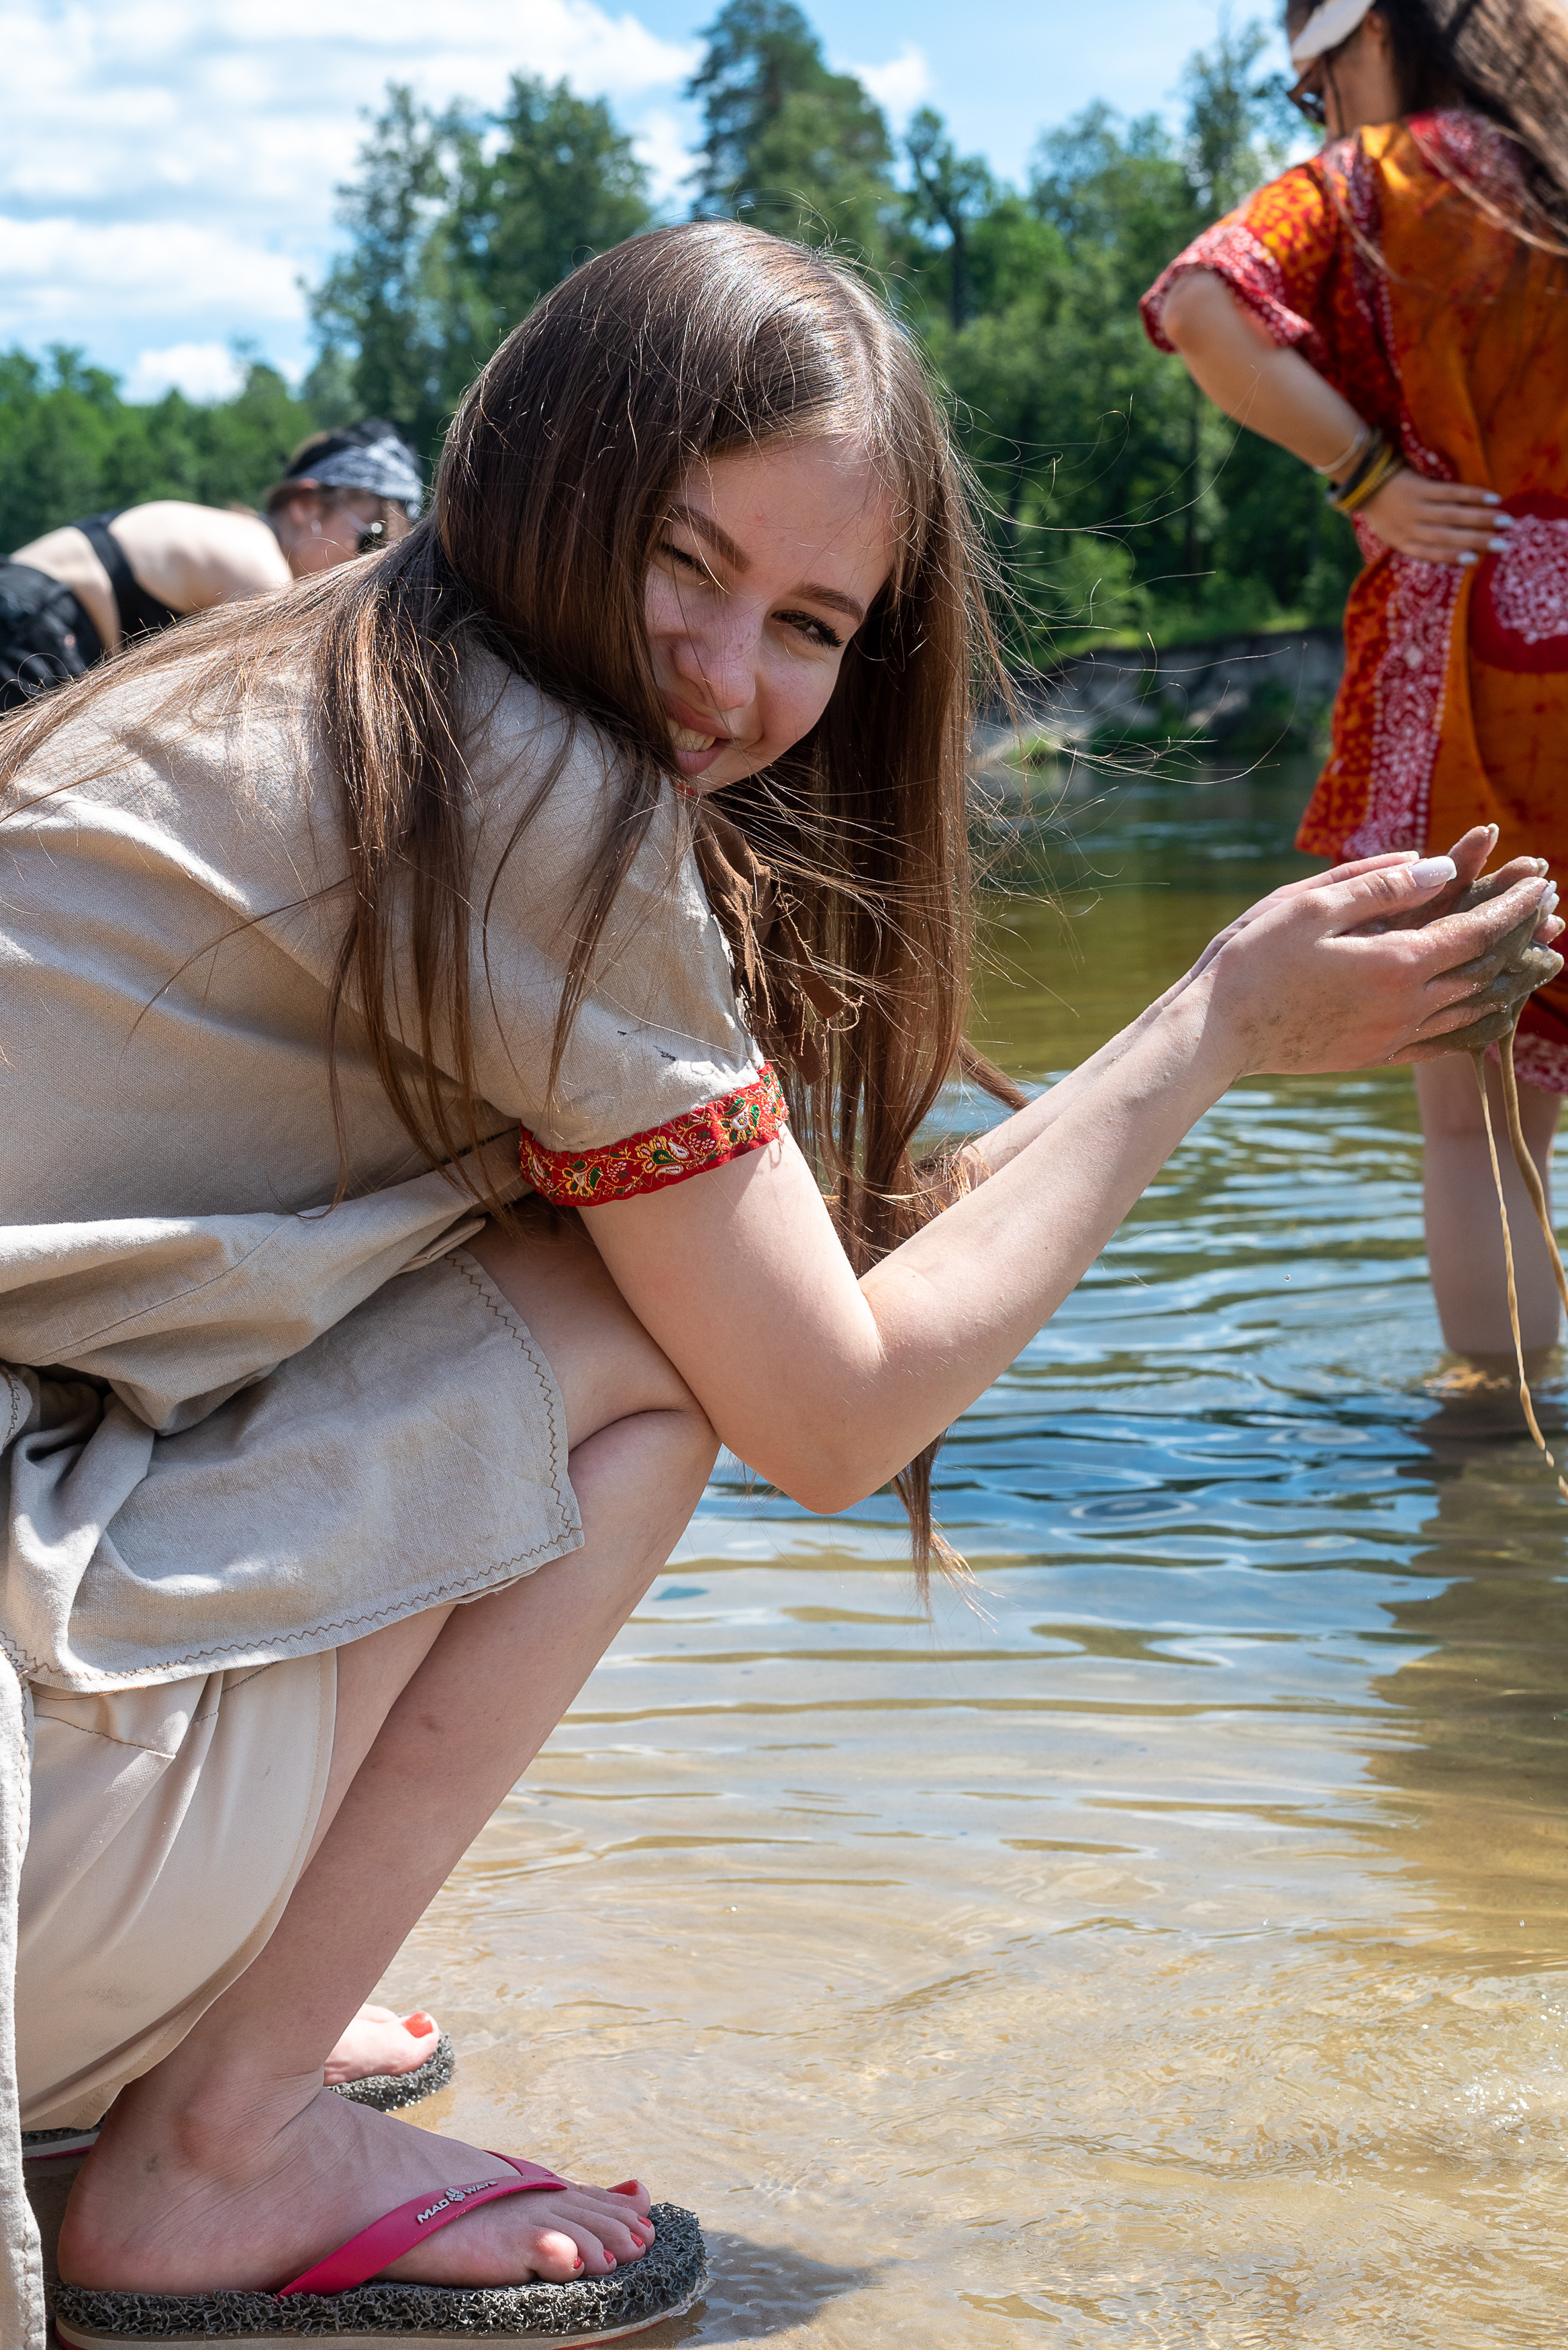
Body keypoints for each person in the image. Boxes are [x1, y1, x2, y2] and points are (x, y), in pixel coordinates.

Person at [0, 220, 1554, 2349]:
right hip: (33, 1841)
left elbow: (821, 1278)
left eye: (809, 618)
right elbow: (824, 1406)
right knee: (638, 1361)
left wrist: (1203, 1017)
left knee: (611, 1287)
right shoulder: (526, 790)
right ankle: (214, 2140)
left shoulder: (333, 672)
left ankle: (192, 2013)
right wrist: (1206, 1027)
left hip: (50, 1735)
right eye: (682, 558)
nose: (727, 680)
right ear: (537, 472)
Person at [1141, 0, 1568, 1361]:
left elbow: (1204, 303)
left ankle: (1493, 1489)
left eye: (1311, 84)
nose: (1320, 115)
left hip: (1480, 682)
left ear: (1367, 34)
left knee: (1479, 1118)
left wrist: (1372, 477)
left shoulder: (1394, 176)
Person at [0, 419, 422, 712]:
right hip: (30, 629)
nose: (373, 568)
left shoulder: (243, 541)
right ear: (306, 506)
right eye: (372, 538)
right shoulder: (261, 570)